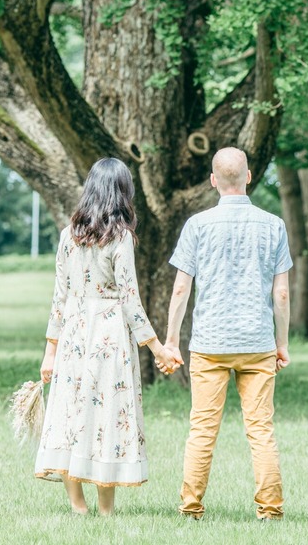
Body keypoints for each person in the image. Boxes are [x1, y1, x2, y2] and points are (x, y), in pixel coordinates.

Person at [36, 157, 180, 515]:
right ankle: (105, 509)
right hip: (109, 335)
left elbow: (60, 296)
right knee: (106, 415)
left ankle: (77, 506)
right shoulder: (121, 238)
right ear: (123, 193)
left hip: (73, 333)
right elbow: (130, 301)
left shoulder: (68, 236)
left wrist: (50, 351)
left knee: (72, 412)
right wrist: (158, 348)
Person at [163, 147, 293, 521]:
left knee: (202, 429)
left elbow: (180, 290)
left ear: (213, 180)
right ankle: (270, 510)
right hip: (257, 343)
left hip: (210, 344)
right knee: (261, 430)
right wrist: (281, 343)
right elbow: (281, 293)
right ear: (249, 177)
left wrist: (172, 341)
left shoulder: (198, 225)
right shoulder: (274, 226)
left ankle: (191, 508)